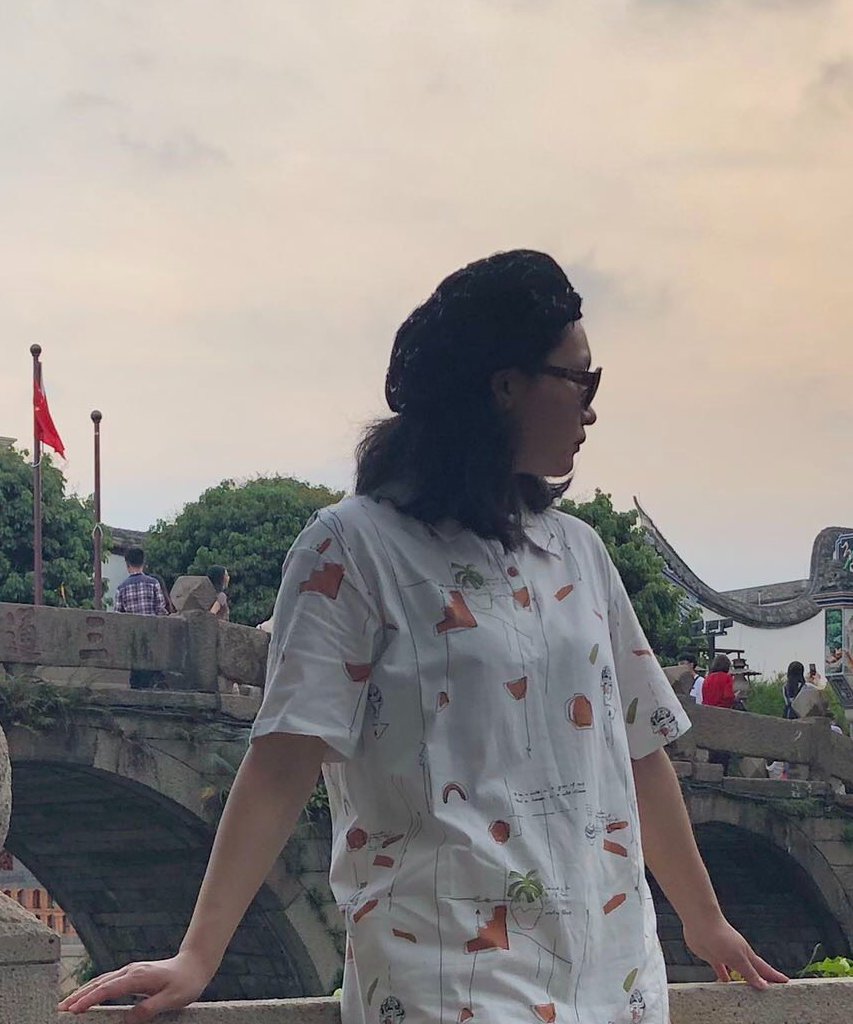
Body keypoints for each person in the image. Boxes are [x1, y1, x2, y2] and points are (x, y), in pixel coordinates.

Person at [60, 250, 785, 1023]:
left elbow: (637, 748)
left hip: (611, 973)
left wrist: (704, 921)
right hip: (446, 975)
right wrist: (198, 955)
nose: (590, 409)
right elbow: (284, 757)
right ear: (504, 385)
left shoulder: (577, 552)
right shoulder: (353, 548)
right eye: (580, 381)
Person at [113, 546, 168, 690]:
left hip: (134, 639)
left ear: (127, 565)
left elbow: (117, 616)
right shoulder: (154, 583)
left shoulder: (121, 588)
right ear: (143, 563)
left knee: (136, 677)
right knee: (154, 673)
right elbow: (161, 610)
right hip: (152, 636)